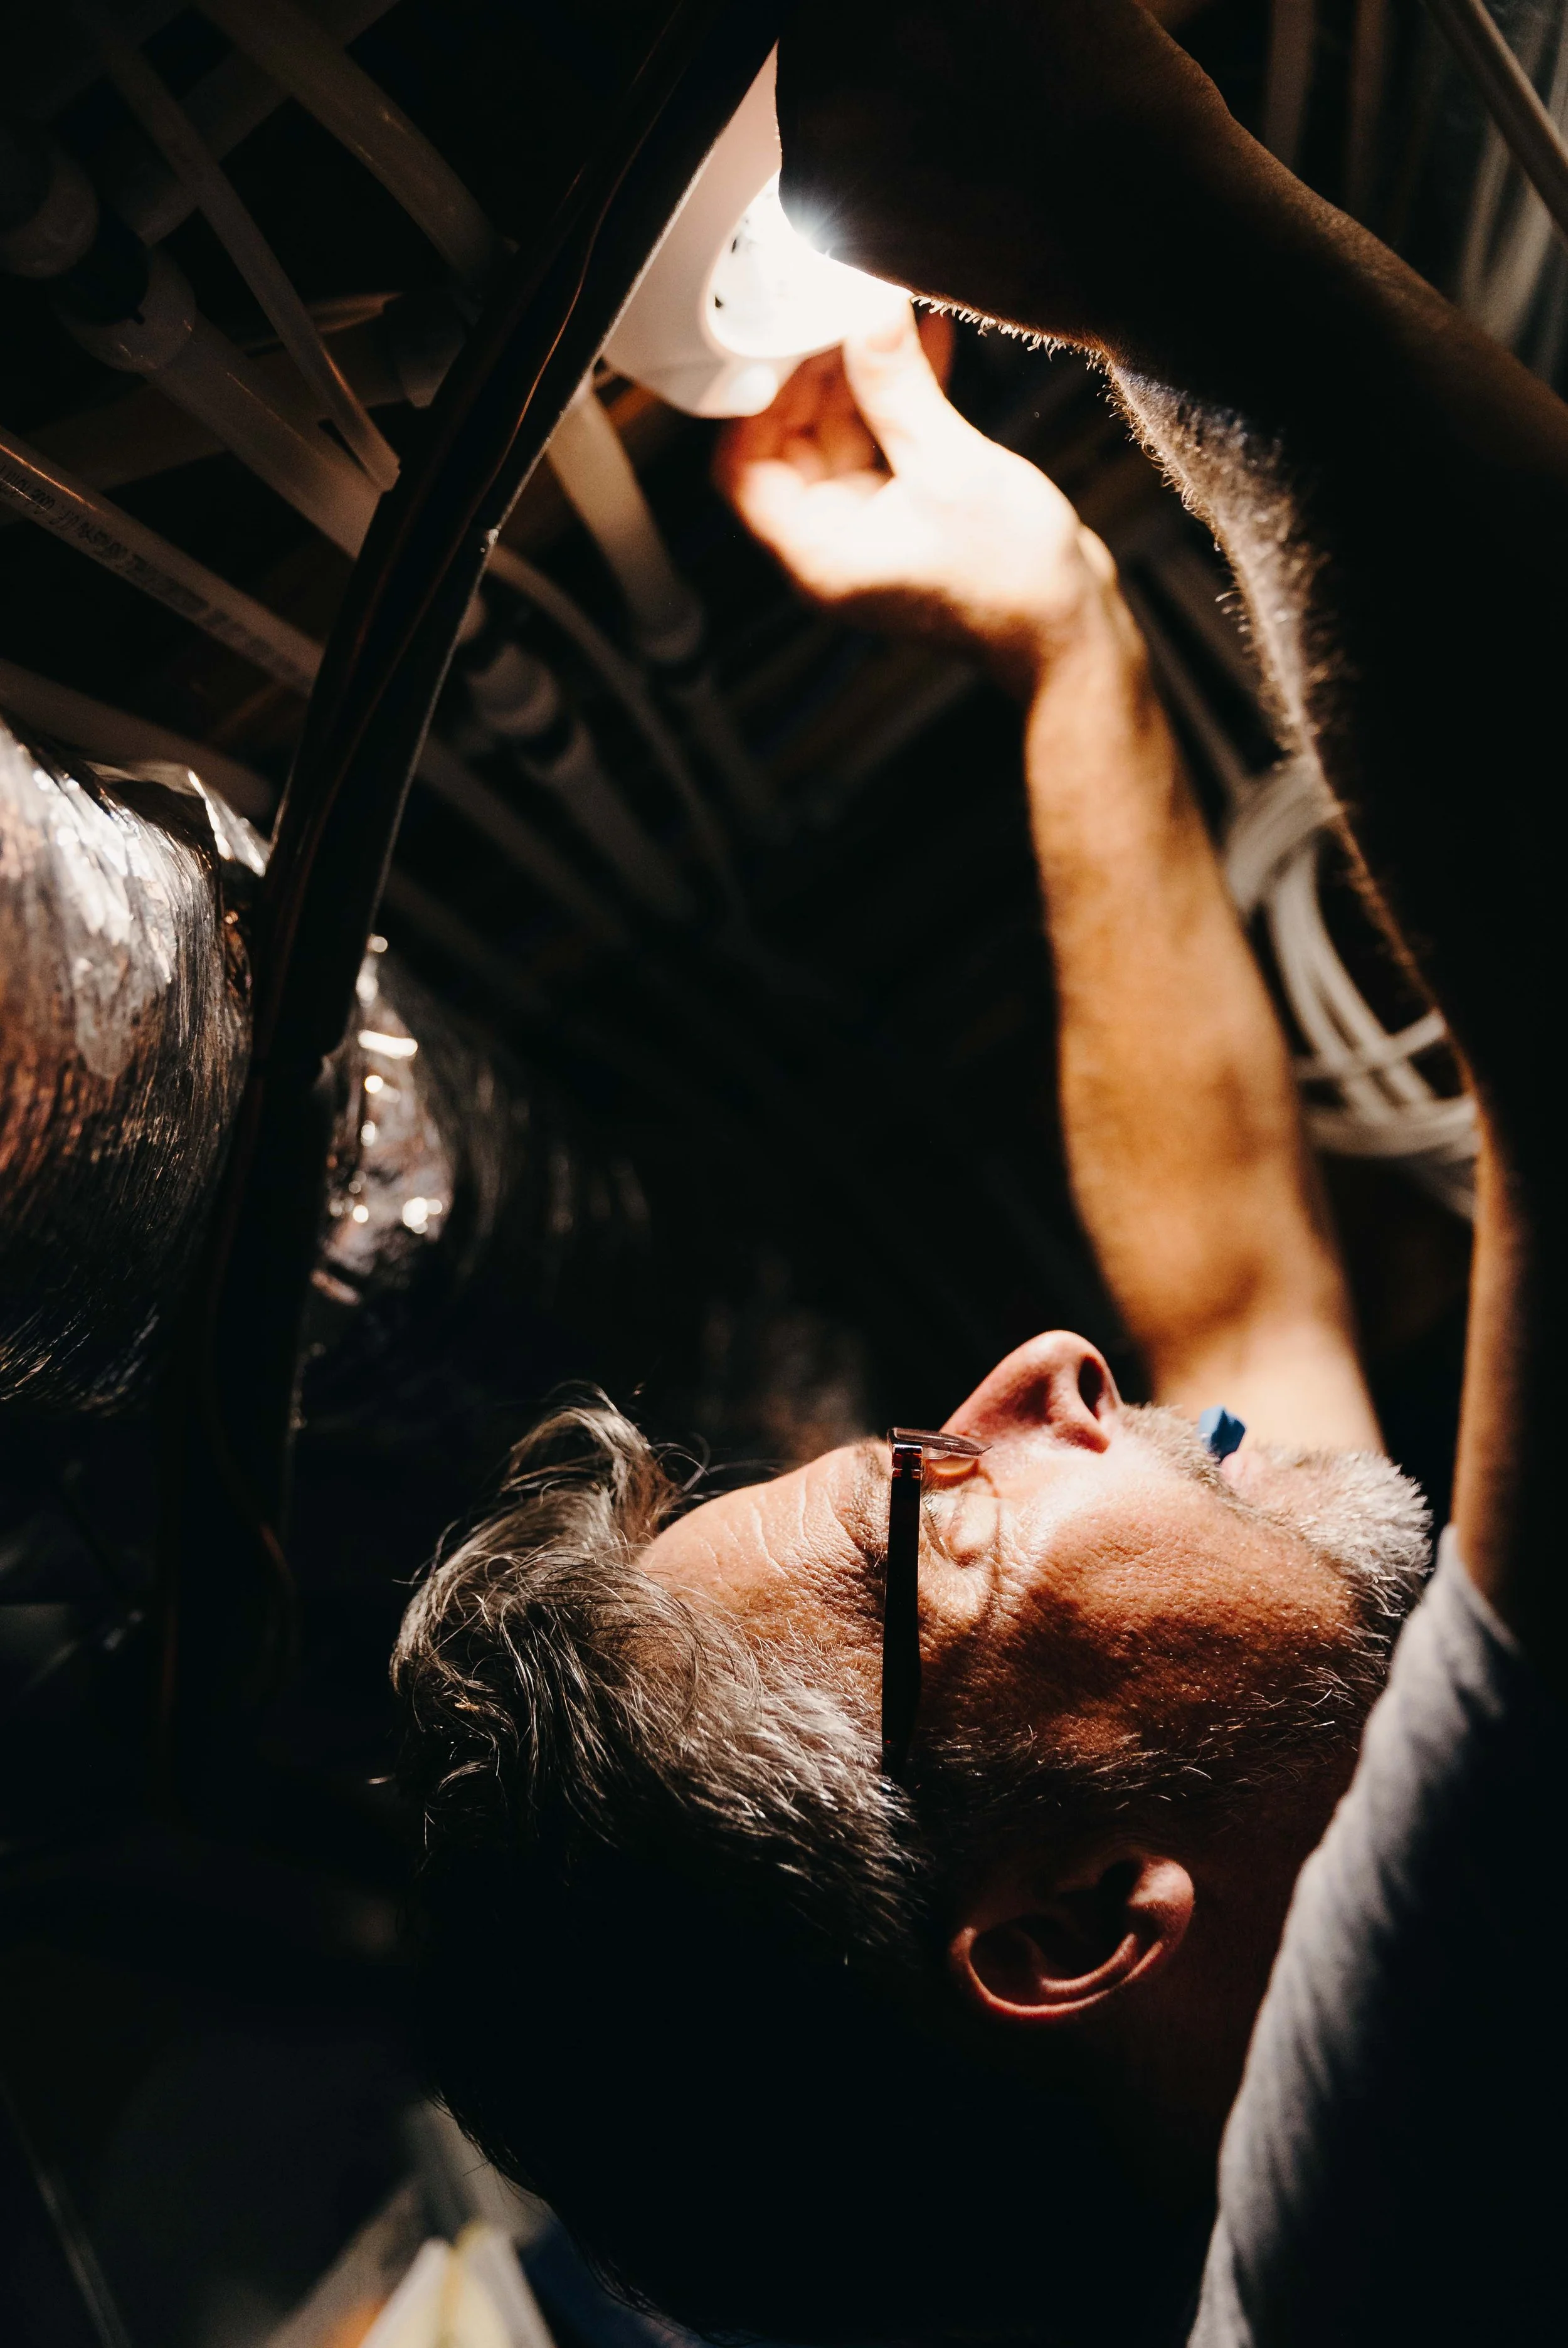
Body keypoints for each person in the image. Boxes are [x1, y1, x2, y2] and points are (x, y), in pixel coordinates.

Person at [395, 5, 1565, 2340]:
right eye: (939, 1502)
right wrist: (1129, 211)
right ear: (1060, 1932)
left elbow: (1232, 1288)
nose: (1044, 1365)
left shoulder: (1303, 1991)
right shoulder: (1373, 2260)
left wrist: (1056, 642)